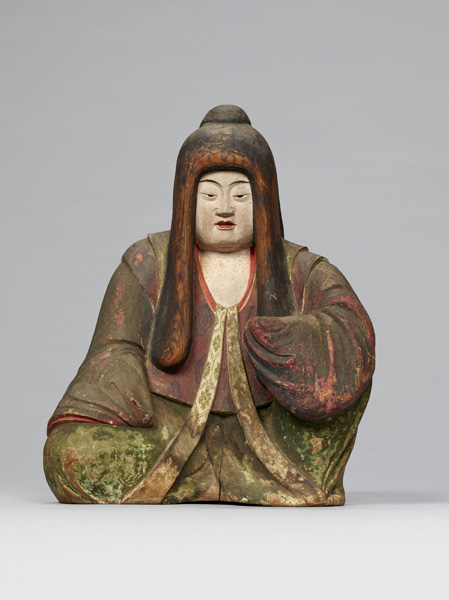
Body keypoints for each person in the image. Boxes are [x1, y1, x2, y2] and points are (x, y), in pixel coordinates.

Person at [44, 105, 375, 506]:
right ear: (187, 198)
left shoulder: (298, 267)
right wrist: (125, 383)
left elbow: (351, 328)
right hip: (170, 433)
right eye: (210, 194)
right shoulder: (148, 262)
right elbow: (114, 347)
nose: (225, 208)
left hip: (270, 437)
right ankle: (201, 478)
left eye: (241, 195)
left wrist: (299, 342)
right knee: (68, 454)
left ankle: (239, 478)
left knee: (334, 409)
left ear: (264, 200)